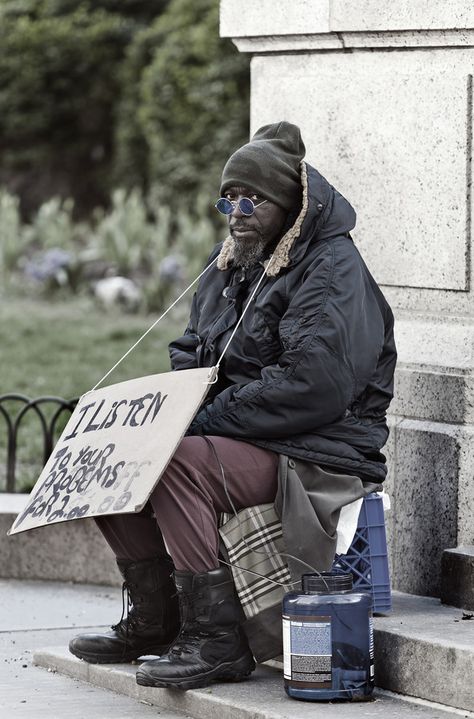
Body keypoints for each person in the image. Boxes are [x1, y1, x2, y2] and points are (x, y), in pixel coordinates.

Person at [69, 121, 396, 690]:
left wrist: (197, 420)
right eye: (230, 198)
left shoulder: (331, 267)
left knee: (172, 462)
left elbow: (314, 384)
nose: (238, 210)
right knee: (111, 454)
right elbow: (192, 352)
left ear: (292, 205)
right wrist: (162, 408)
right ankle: (157, 621)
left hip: (317, 448)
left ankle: (217, 641)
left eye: (254, 198)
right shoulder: (233, 262)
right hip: (249, 431)